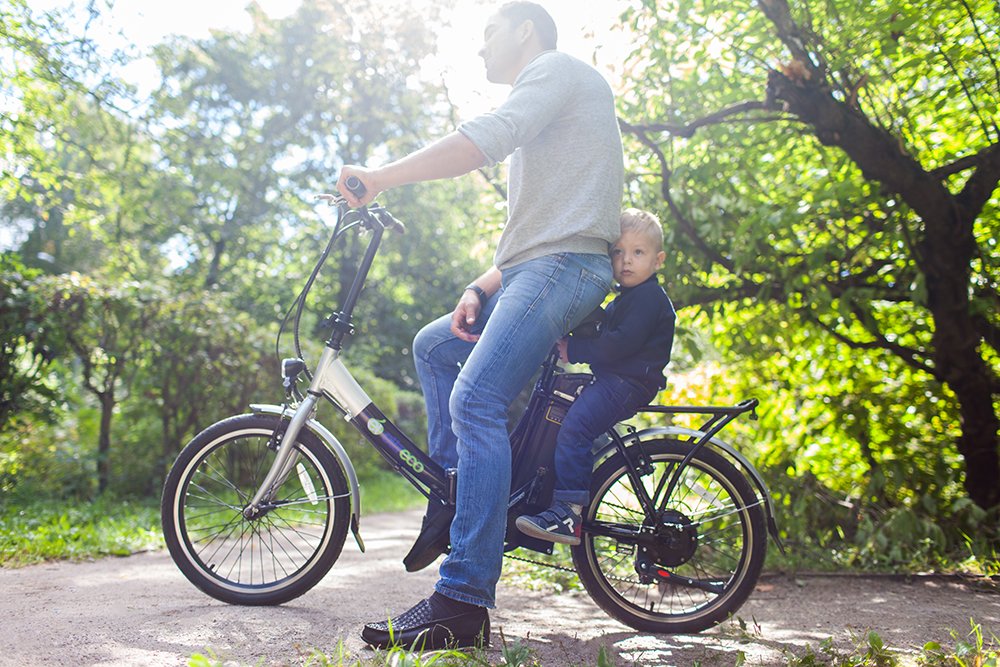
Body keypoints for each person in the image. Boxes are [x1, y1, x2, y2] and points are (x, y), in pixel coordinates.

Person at [336, 1, 624, 652]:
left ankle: (461, 602)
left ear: (525, 30)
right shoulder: (551, 97)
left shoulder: (554, 70)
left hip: (562, 268)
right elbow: (538, 234)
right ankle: (456, 493)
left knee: (476, 399)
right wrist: (479, 285)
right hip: (536, 269)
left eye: (488, 33)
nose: (480, 47)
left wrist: (379, 178)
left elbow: (482, 142)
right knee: (436, 346)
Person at [516, 208, 676, 545]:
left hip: (626, 384)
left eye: (638, 252)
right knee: (565, 416)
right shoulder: (628, 297)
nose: (626, 260)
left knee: (576, 428)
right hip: (618, 381)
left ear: (658, 260)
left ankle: (567, 513)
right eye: (618, 251)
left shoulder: (648, 298)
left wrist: (575, 349)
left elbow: (620, 344)